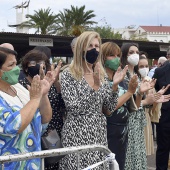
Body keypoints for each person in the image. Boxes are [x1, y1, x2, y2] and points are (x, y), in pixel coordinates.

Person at [59, 31, 126, 170]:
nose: (94, 49)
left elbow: (109, 109)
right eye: (90, 46)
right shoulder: (68, 74)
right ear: (81, 48)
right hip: (76, 133)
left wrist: (114, 86)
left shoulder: (100, 74)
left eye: (97, 46)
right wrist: (94, 87)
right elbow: (74, 108)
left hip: (99, 133)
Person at [0, 44, 54, 169]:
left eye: (15, 64)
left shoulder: (19, 88)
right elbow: (12, 126)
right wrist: (35, 98)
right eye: (10, 65)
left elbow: (44, 121)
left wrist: (43, 94)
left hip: (32, 163)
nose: (15, 69)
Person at [19, 49, 64, 170]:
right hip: (35, 135)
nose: (39, 66)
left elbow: (61, 105)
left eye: (42, 63)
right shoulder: (21, 86)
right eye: (34, 63)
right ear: (26, 67)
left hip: (54, 134)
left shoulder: (49, 84)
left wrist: (57, 84)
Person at [101, 42, 138, 170]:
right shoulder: (100, 80)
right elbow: (108, 109)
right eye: (111, 55)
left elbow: (132, 107)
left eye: (118, 55)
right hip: (107, 131)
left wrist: (138, 93)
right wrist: (129, 93)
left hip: (122, 131)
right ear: (103, 57)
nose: (116, 58)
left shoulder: (123, 79)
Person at [119, 43, 156, 170]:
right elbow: (127, 104)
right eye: (131, 52)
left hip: (137, 124)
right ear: (124, 55)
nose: (135, 55)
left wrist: (152, 98)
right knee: (129, 160)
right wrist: (145, 101)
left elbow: (138, 102)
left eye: (136, 52)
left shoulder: (136, 76)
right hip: (128, 123)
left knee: (138, 159)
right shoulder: (122, 76)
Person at [153, 48, 170, 170]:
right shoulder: (159, 71)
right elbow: (152, 93)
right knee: (163, 148)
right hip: (164, 116)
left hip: (164, 116)